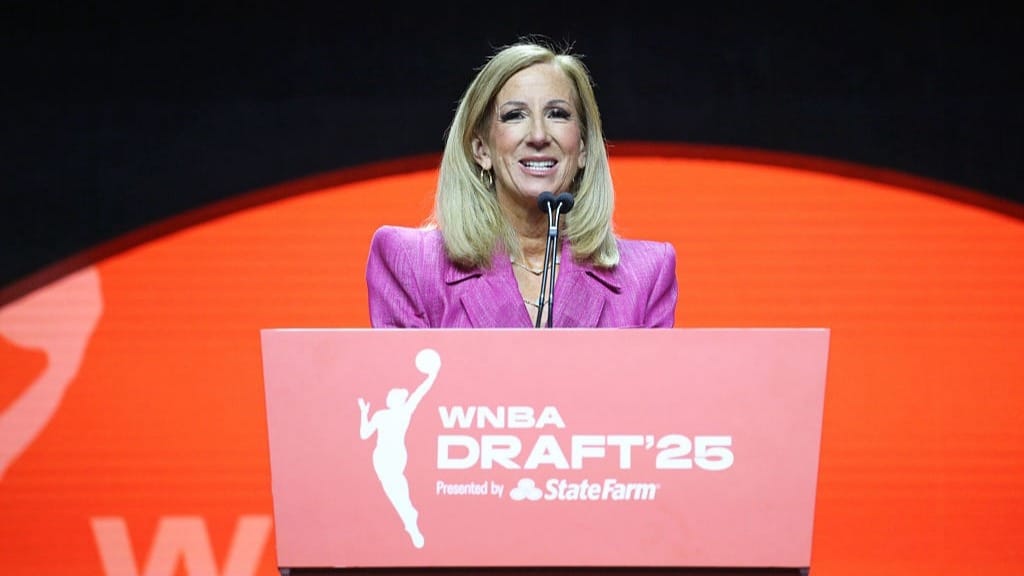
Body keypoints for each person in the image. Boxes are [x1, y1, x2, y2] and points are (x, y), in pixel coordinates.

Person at [366, 38, 677, 328]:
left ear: (582, 148)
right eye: (515, 115)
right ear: (481, 149)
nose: (539, 135)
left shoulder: (647, 276)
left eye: (557, 113)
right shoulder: (412, 265)